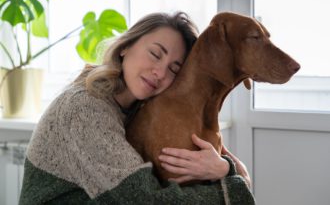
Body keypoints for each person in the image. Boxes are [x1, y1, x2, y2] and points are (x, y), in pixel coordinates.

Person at [19, 12, 254, 204]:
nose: (160, 72)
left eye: (174, 69)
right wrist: (233, 191)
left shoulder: (139, 110)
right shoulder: (84, 107)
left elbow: (225, 164)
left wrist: (225, 168)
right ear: (126, 47)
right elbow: (144, 199)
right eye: (154, 54)